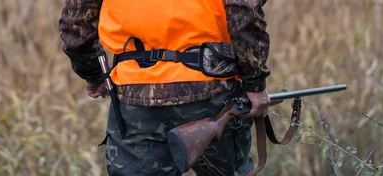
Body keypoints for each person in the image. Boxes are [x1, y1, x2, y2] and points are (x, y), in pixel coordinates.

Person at [58, 0, 270, 175]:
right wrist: (255, 82)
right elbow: (245, 13)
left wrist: (94, 73)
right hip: (212, 91)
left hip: (136, 98)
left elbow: (76, 24)